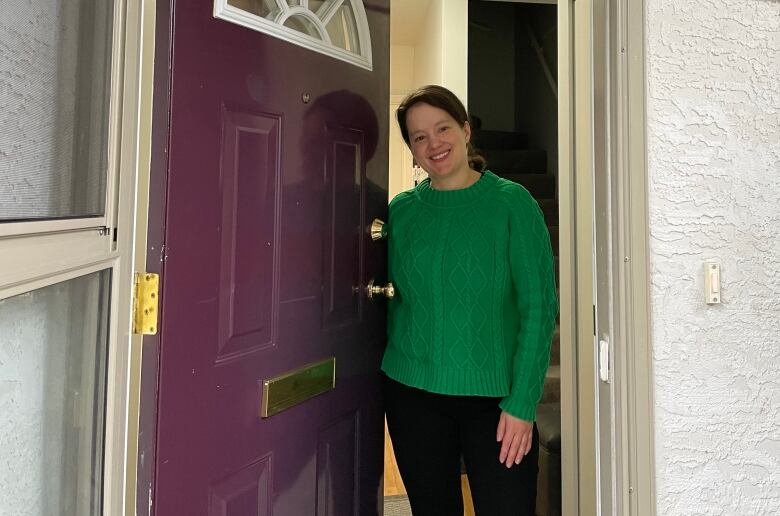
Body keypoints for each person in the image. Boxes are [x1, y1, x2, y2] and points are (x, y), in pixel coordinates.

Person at [382, 85, 558, 516]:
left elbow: (539, 309)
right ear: (411, 149)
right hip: (412, 394)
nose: (433, 143)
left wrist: (522, 403)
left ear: (464, 130)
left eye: (442, 128)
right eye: (419, 136)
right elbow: (389, 300)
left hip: (496, 403)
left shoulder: (512, 203)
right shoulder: (401, 211)